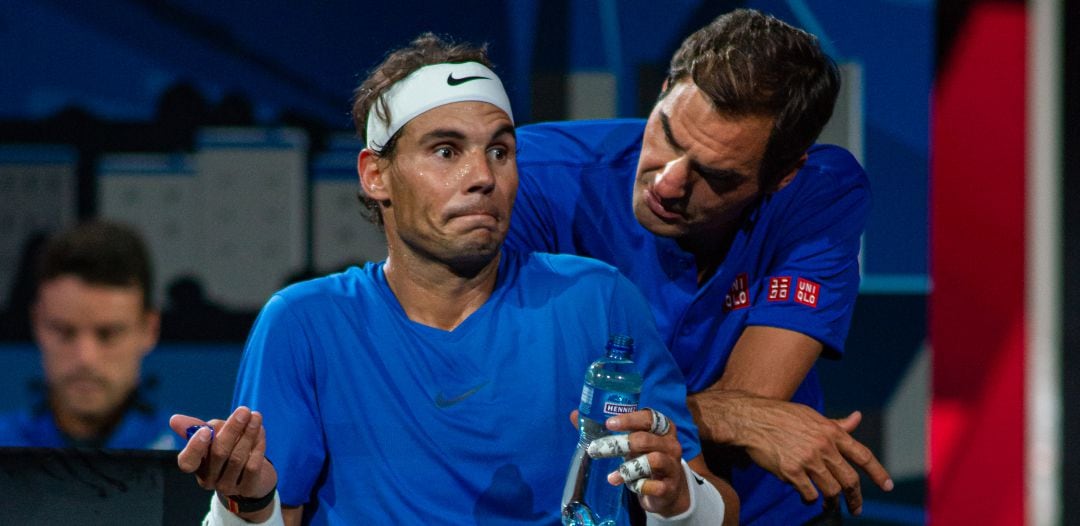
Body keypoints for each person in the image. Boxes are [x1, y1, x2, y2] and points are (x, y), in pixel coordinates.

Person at [170, 34, 738, 526]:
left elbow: (713, 506)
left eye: (500, 150)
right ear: (376, 175)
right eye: (446, 150)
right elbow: (272, 514)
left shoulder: (599, 299)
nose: (483, 177)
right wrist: (245, 502)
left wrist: (679, 501)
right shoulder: (304, 322)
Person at [506, 8, 892, 525]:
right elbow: (519, 406)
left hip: (763, 513)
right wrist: (736, 417)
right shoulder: (530, 177)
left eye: (718, 176)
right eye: (667, 133)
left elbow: (755, 399)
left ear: (782, 176)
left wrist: (734, 413)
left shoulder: (820, 193)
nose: (666, 183)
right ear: (665, 88)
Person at [0, 220, 179, 450]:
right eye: (64, 332)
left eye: (108, 334)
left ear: (149, 330)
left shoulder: (197, 466)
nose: (85, 358)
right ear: (37, 324)